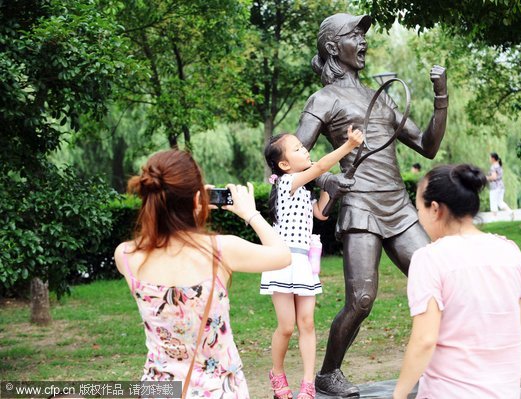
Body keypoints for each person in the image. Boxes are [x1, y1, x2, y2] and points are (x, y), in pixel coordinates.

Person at [295, 13, 448, 396]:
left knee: (440, 282)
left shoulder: (379, 97)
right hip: (360, 207)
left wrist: (441, 97)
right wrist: (327, 178)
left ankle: (448, 365)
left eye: (363, 36)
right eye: (354, 36)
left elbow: (427, 146)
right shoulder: (323, 99)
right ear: (333, 47)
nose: (363, 42)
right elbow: (290, 158)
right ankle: (329, 373)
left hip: (398, 207)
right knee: (361, 300)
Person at [114, 149, 291, 398]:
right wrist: (250, 213)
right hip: (219, 390)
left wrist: (190, 206)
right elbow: (283, 255)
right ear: (198, 199)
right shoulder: (220, 250)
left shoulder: (126, 256)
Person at [392, 164, 521, 399]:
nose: (418, 216)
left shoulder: (429, 259)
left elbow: (425, 339)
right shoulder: (510, 252)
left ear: (435, 209)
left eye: (418, 207)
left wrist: (398, 395)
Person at [261, 126, 364, 399]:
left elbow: (320, 212)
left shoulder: (304, 192)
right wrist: (348, 146)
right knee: (286, 326)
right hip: (282, 262)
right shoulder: (286, 183)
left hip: (303, 265)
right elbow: (319, 168)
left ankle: (308, 384)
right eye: (297, 149)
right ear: (284, 165)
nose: (304, 150)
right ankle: (277, 372)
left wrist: (334, 187)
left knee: (306, 323)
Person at [486, 152, 513, 220]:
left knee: (493, 201)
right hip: (501, 186)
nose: (489, 159)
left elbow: (494, 177)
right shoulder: (499, 166)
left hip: (495, 187)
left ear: (493, 158)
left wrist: (487, 178)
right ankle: (510, 211)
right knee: (500, 202)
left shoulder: (493, 167)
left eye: (490, 158)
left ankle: (494, 217)